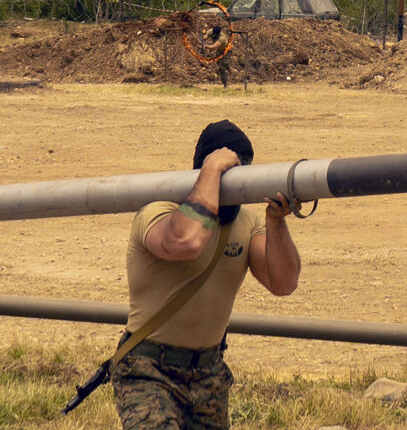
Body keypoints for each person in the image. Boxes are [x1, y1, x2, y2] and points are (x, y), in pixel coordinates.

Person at [111, 119, 302, 430]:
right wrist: (212, 172)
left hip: (208, 373)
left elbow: (284, 282)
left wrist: (277, 221)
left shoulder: (247, 224)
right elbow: (186, 242)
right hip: (148, 368)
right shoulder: (158, 212)